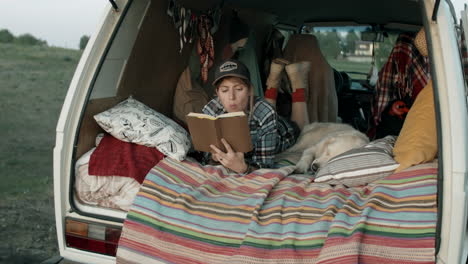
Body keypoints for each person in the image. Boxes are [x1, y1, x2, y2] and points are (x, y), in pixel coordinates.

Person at [202, 59, 311, 174]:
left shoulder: (266, 113)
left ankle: (297, 86)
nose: (231, 97)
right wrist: (214, 157)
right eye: (224, 90)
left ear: (249, 90)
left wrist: (242, 168)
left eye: (239, 89)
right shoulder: (210, 110)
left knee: (303, 129)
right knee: (263, 109)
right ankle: (273, 85)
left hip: (282, 132)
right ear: (217, 93)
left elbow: (264, 166)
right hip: (260, 114)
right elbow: (205, 156)